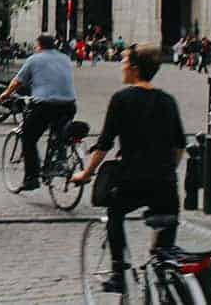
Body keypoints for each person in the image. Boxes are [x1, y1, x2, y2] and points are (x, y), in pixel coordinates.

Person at [70, 43, 186, 294]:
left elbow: (104, 145)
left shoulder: (121, 99)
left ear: (134, 68)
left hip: (133, 181)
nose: (121, 67)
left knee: (115, 212)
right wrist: (168, 170)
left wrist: (85, 174)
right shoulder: (168, 101)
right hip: (166, 185)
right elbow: (179, 145)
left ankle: (118, 273)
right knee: (165, 249)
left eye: (123, 63)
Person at [0, 34, 77, 191]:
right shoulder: (65, 58)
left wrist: (5, 94)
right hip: (69, 104)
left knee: (28, 137)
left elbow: (18, 81)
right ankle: (60, 160)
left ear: (39, 45)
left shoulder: (34, 59)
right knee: (59, 132)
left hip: (45, 105)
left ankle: (32, 178)